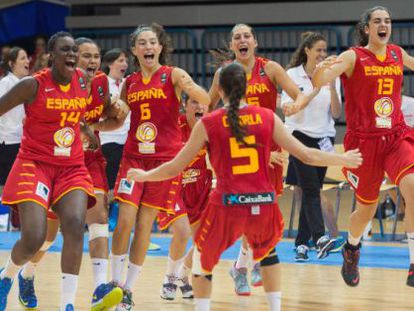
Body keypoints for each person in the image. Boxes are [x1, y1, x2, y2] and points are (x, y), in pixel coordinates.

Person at [127, 63, 362, 311]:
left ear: (219, 89)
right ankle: (274, 307)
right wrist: (342, 159)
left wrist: (144, 176)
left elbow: (174, 167)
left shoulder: (208, 123)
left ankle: (202, 306)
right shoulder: (267, 117)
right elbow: (306, 155)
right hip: (263, 202)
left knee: (201, 260)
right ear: (247, 87)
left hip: (227, 204)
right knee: (269, 257)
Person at [14, 37, 126, 310]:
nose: (91, 61)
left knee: (97, 215)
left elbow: (104, 122)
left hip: (88, 162)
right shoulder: (53, 84)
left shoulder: (99, 84)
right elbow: (65, 121)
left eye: (95, 56)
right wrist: (82, 129)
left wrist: (116, 117)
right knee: (48, 235)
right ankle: (26, 274)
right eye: (85, 55)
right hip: (54, 162)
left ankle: (100, 286)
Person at [110, 23, 210, 310]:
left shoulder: (173, 75)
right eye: (142, 43)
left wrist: (204, 91)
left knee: (144, 225)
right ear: (134, 50)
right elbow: (120, 119)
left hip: (164, 162)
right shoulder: (130, 83)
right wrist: (103, 118)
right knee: (126, 218)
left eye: (152, 42)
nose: (148, 47)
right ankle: (114, 284)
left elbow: (201, 97)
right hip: (133, 157)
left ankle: (127, 290)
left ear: (160, 47)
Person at [313, 6, 414, 287]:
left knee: (413, 186)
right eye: (377, 21)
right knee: (365, 212)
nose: (384, 25)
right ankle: (352, 248)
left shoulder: (396, 53)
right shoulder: (352, 56)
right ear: (367, 28)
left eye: (388, 21)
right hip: (364, 144)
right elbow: (319, 80)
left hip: (395, 135)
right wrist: (321, 70)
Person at [0, 31, 97, 311]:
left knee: (76, 225)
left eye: (74, 51)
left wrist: (86, 130)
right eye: (65, 50)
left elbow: (72, 118)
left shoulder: (83, 81)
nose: (71, 55)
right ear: (51, 56)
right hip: (35, 163)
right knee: (34, 236)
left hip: (71, 166)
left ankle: (67, 304)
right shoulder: (32, 85)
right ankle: (7, 277)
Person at [208, 23, 307, 296]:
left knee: (264, 212)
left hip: (273, 151)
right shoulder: (224, 75)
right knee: (250, 212)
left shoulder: (270, 69)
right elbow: (207, 107)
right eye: (236, 37)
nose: (242, 40)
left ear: (255, 42)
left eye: (246, 36)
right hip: (241, 153)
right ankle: (253, 263)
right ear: (231, 46)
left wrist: (293, 106)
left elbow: (298, 94)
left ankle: (242, 266)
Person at [281, 32, 343, 262]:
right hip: (298, 137)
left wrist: (334, 87)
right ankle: (319, 237)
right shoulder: (292, 75)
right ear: (307, 50)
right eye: (318, 50)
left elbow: (336, 114)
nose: (322, 54)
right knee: (309, 190)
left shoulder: (330, 76)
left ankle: (301, 244)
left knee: (308, 191)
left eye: (325, 50)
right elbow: (289, 108)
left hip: (323, 140)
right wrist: (316, 86)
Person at [157, 95, 211, 301]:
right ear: (185, 106)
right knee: (182, 232)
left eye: (203, 103)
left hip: (201, 189)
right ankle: (169, 279)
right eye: (194, 102)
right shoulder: (173, 126)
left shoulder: (212, 126)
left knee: (204, 240)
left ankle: (182, 276)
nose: (199, 106)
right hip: (174, 187)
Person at [0, 47, 29, 207]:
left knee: (22, 182)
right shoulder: (5, 83)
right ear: (12, 63)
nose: (27, 61)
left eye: (27, 58)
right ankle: (3, 218)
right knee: (6, 183)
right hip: (8, 140)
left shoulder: (28, 83)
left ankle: (15, 219)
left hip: (24, 140)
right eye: (23, 58)